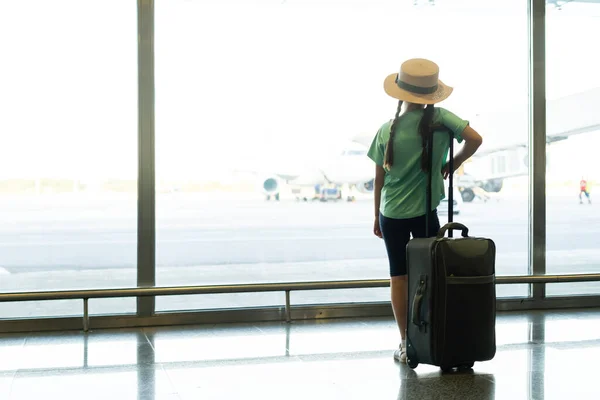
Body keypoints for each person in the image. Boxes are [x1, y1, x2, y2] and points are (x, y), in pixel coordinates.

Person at [367, 58, 483, 363]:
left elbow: (379, 178)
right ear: (432, 94)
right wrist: (453, 162)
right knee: (430, 275)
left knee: (399, 276)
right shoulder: (442, 119)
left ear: (401, 93)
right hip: (425, 211)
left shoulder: (387, 129)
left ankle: (406, 343)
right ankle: (433, 334)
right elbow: (475, 139)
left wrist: (376, 214)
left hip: (390, 213)